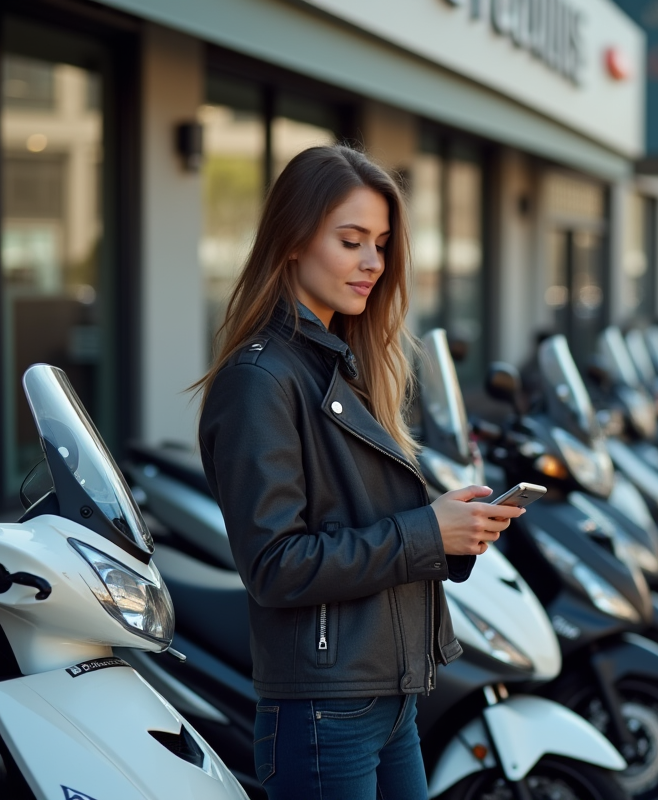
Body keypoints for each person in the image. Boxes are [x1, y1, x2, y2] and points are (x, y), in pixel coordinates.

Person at [193, 145, 525, 799]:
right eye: (351, 241)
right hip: (325, 707)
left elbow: (364, 522)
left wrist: (456, 527)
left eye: (380, 243)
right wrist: (429, 532)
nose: (373, 262)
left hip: (388, 694)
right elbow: (276, 564)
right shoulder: (262, 378)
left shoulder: (341, 361)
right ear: (292, 239)